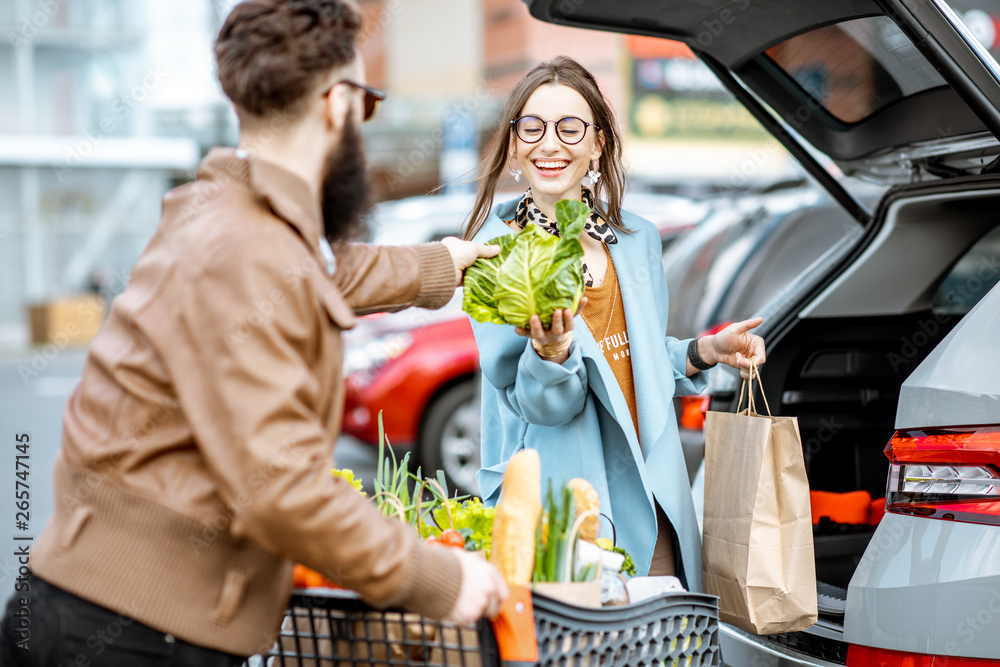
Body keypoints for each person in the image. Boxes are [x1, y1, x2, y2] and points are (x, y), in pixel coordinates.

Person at [0, 1, 507, 664]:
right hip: (133, 634)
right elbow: (280, 487)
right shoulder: (249, 248)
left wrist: (441, 264)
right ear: (338, 104)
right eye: (368, 102)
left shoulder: (227, 213)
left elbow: (317, 274)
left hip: (105, 611)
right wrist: (439, 578)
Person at [464, 56, 766, 590]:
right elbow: (541, 406)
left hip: (652, 499)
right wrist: (552, 354)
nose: (549, 144)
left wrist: (704, 351)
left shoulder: (636, 240)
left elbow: (634, 360)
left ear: (598, 142)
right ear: (513, 144)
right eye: (531, 127)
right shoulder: (496, 251)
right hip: (562, 507)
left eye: (570, 127)